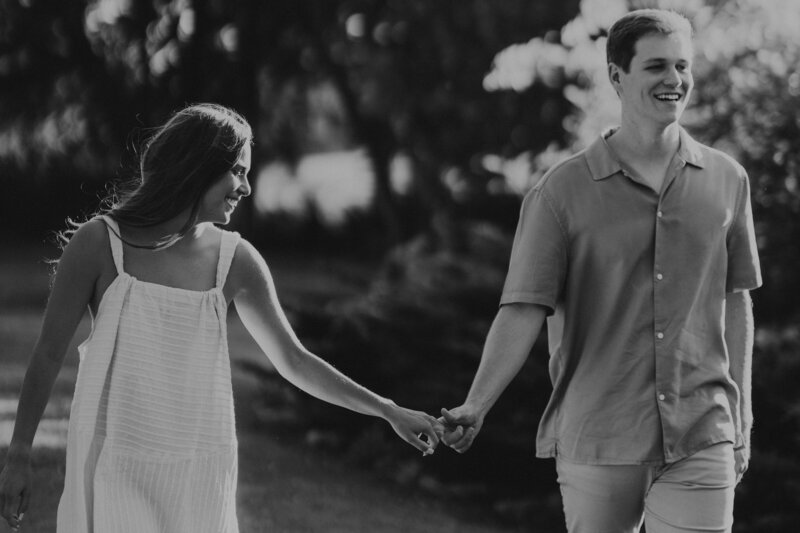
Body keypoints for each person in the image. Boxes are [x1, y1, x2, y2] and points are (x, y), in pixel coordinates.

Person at [0, 103, 442, 533]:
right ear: (196, 167)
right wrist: (19, 451)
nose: (247, 188)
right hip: (113, 462)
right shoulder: (99, 243)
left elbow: (295, 360)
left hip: (198, 473)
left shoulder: (237, 260)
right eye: (239, 171)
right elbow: (47, 354)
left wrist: (386, 410)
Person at [440, 9, 761, 533]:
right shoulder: (561, 192)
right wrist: (477, 403)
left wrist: (741, 411)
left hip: (703, 430)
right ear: (617, 76)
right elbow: (524, 306)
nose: (674, 80)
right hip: (600, 433)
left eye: (682, 66)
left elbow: (735, 298)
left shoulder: (728, 180)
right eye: (656, 66)